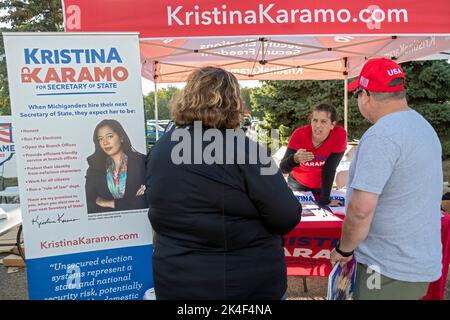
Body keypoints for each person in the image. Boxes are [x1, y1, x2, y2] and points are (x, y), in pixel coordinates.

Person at [145, 66, 302, 300]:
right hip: (243, 285)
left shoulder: (160, 148)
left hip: (176, 282)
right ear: (233, 103)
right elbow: (287, 215)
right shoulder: (245, 149)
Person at [330, 58, 443, 300]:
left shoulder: (382, 134)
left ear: (366, 95)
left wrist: (344, 249)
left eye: (358, 94)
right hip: (414, 262)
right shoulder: (422, 126)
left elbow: (360, 210)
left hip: (385, 266)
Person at [280, 103, 347, 206]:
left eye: (323, 121)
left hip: (321, 187)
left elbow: (329, 168)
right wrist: (294, 159)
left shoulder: (340, 135)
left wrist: (325, 200)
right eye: (315, 120)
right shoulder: (299, 134)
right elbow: (283, 168)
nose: (317, 125)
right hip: (297, 184)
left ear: (332, 125)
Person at [85, 119, 147, 214]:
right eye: (100, 139)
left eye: (109, 136)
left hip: (138, 223)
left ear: (121, 137)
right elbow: (90, 204)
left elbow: (147, 200)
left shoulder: (142, 162)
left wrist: (109, 203)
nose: (105, 142)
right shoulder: (94, 169)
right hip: (106, 225)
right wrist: (132, 202)